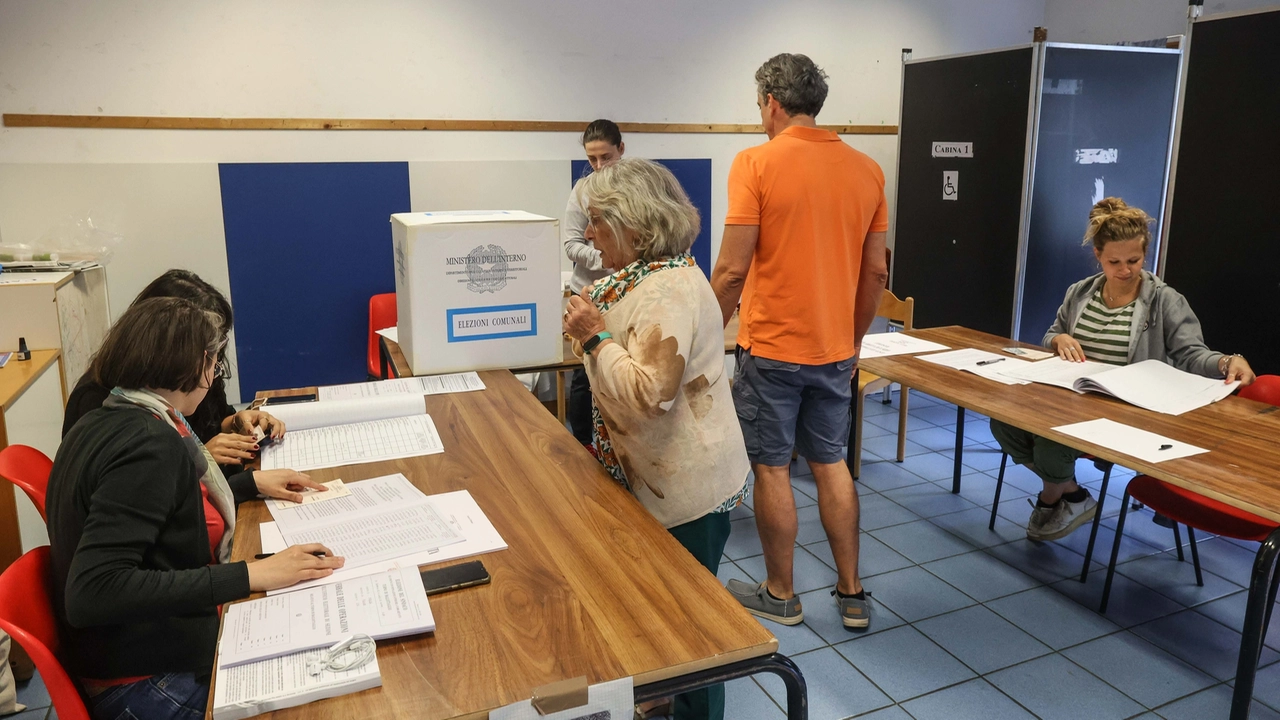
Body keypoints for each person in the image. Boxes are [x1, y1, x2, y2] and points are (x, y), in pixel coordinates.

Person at [46, 297, 344, 720]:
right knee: (328, 690)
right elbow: (93, 592)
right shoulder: (148, 446)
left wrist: (248, 483)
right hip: (143, 683)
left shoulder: (111, 416)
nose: (212, 380)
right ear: (196, 365)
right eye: (215, 366)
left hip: (129, 656)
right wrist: (250, 574)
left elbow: (159, 505)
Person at [563, 158, 748, 720]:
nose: (589, 234)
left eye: (597, 222)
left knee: (696, 634)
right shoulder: (641, 278)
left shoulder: (668, 288)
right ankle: (661, 701)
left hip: (689, 487)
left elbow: (649, 394)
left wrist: (593, 337)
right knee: (668, 616)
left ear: (636, 228)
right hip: (662, 476)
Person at [710, 53, 889, 630]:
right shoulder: (868, 169)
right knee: (832, 463)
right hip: (836, 352)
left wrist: (705, 335)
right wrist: (852, 338)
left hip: (772, 352)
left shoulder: (754, 163)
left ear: (771, 102)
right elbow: (877, 275)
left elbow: (732, 271)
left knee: (772, 469)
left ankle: (781, 594)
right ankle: (853, 592)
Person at [992, 197, 1256, 542]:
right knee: (1003, 421)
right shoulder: (1080, 292)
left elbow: (1191, 353)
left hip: (1127, 410)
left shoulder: (1164, 300)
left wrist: (1225, 362)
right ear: (1098, 256)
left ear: (1145, 254)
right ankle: (1072, 495)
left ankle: (1052, 497)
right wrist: (1059, 340)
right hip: (1070, 397)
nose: (1126, 270)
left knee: (1050, 444)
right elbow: (1051, 334)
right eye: (1114, 261)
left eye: (1134, 260)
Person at [62, 269, 286, 477]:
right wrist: (197, 459)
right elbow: (143, 481)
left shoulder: (189, 373)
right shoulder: (105, 404)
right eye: (207, 344)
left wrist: (237, 422)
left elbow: (211, 420)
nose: (214, 355)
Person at [564, 119, 625, 446]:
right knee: (583, 374)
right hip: (589, 292)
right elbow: (571, 244)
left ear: (622, 150)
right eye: (592, 159)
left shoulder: (636, 187)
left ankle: (617, 445)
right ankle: (584, 445)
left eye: (606, 157)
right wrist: (608, 258)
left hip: (627, 291)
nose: (599, 166)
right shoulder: (582, 190)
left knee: (621, 366)